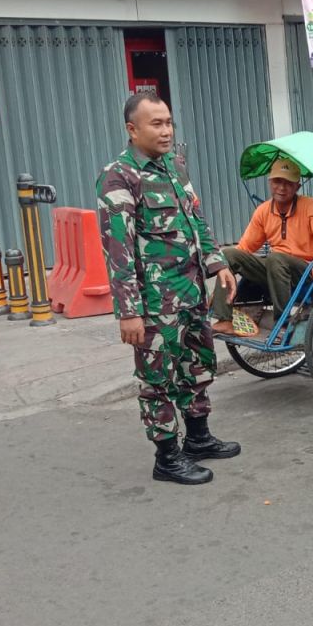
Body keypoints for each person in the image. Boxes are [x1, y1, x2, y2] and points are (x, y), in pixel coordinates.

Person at [96, 93, 241, 486]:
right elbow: (118, 250)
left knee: (197, 368)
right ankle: (167, 458)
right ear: (132, 129)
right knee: (158, 379)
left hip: (191, 292)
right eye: (156, 124)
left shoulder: (175, 167)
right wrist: (129, 311)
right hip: (155, 303)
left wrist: (218, 264)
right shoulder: (119, 177)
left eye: (168, 122)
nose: (165, 130)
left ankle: (197, 439)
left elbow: (197, 220)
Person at [212, 158, 313, 337]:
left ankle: (283, 323)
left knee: (275, 257)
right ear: (270, 182)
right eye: (277, 181)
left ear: (297, 187)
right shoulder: (263, 211)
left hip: (306, 270)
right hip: (275, 269)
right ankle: (223, 319)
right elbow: (245, 247)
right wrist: (220, 290)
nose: (282, 187)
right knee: (229, 254)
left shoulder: (310, 205)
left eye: (288, 183)